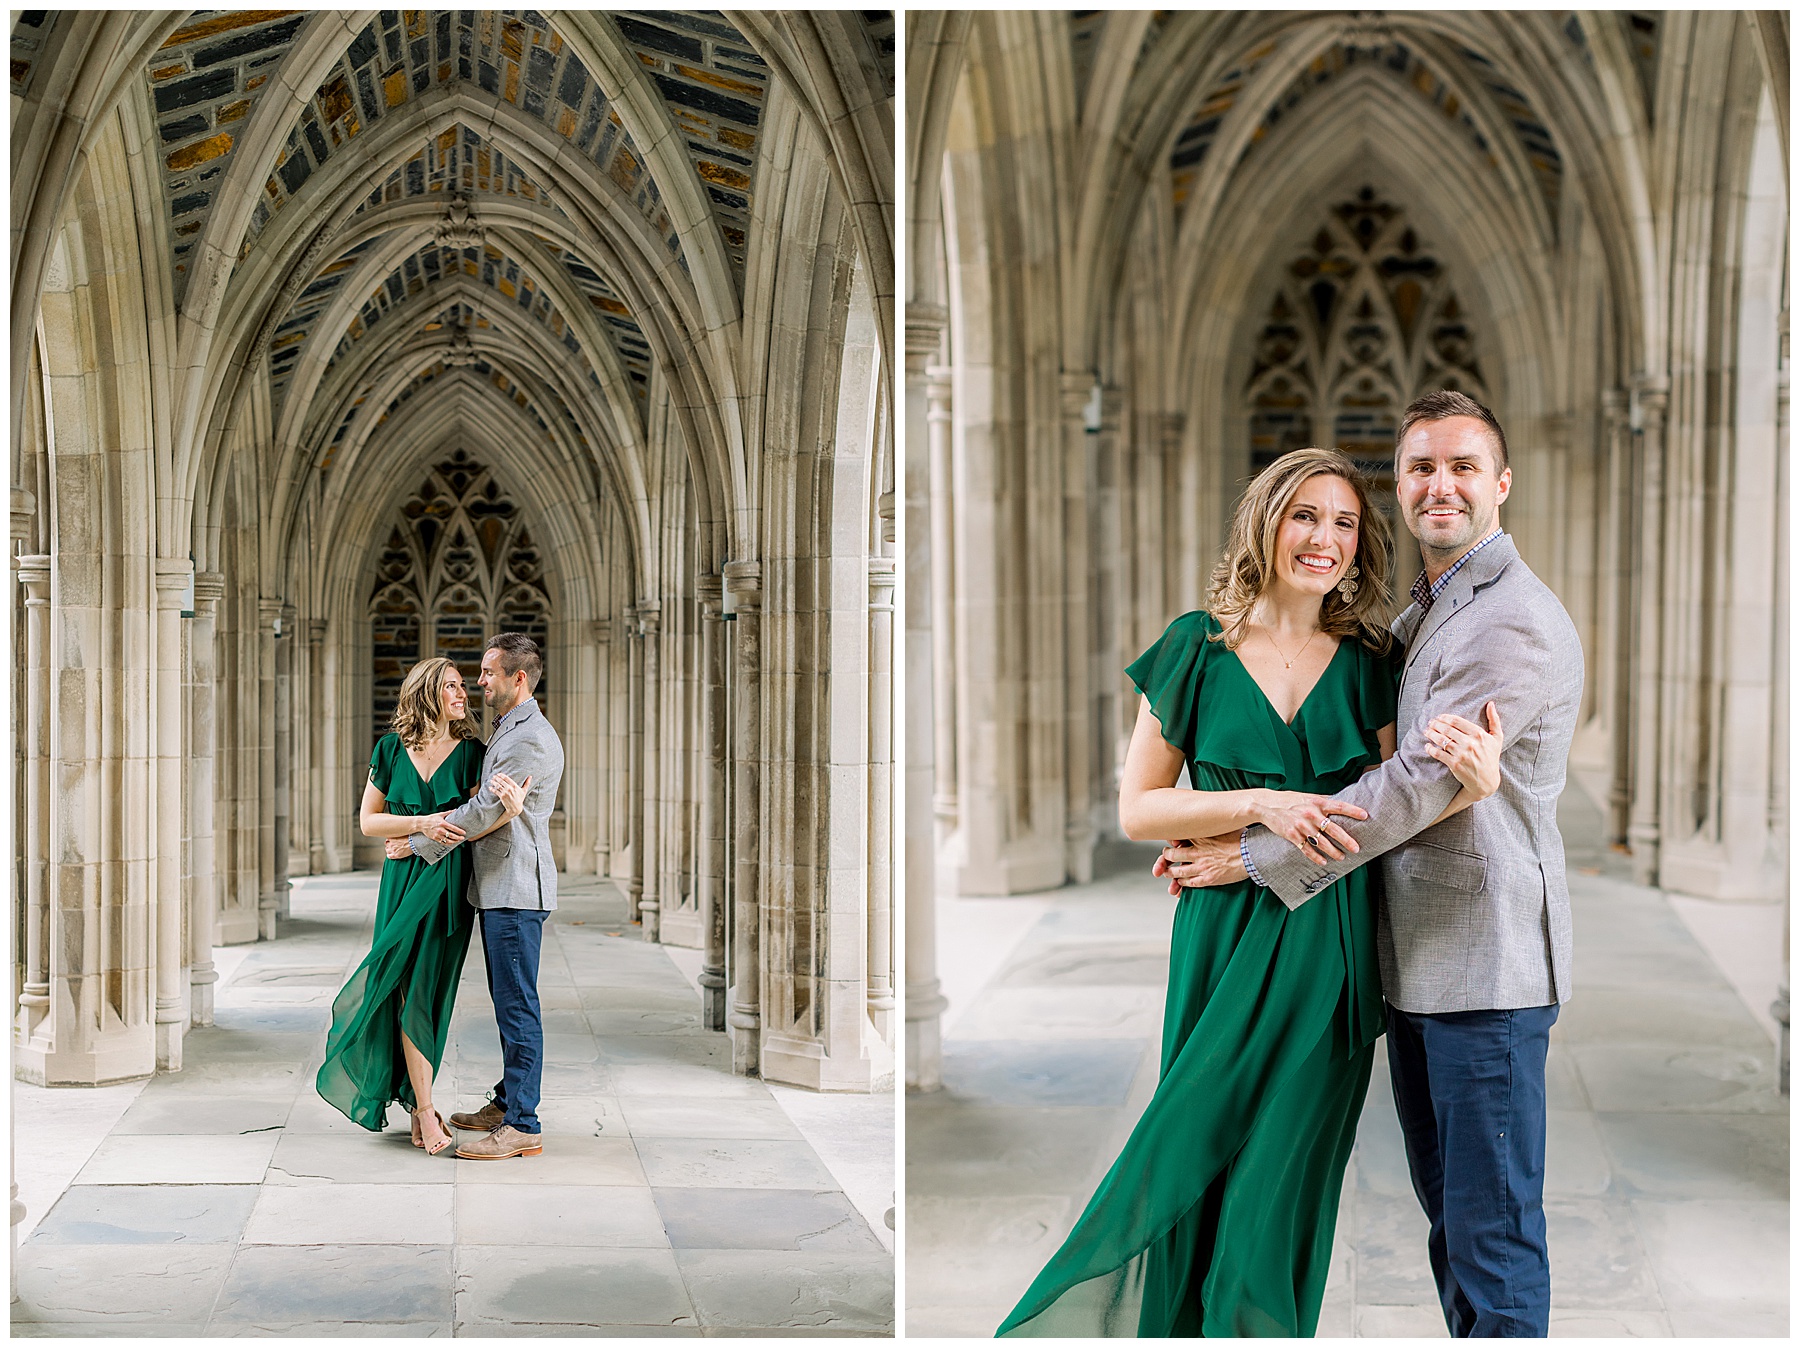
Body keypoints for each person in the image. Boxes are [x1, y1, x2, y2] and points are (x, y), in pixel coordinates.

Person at [998, 445, 1503, 1338]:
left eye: (1344, 522)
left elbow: (1396, 807)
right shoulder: (1194, 646)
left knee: (1278, 1192)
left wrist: (1478, 781)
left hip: (1328, 943)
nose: (1325, 539)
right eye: (1305, 516)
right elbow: (1140, 808)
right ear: (1265, 523)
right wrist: (1260, 803)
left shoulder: (1370, 660)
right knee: (1186, 1161)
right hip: (1220, 941)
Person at [1162, 391, 1583, 1337]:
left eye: (1463, 466)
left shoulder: (1508, 618)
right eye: (1422, 467)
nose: (1442, 484)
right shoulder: (1425, 610)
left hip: (1486, 972)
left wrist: (1251, 851)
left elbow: (1411, 786)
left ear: (1501, 484)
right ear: (1402, 487)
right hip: (1423, 964)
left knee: (1493, 1234)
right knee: (1455, 1223)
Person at [317, 657, 528, 1155]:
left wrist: (502, 815)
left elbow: (478, 821)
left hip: (448, 882)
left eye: (463, 685)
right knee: (396, 984)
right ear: (427, 693)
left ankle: (422, 1106)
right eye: (452, 686)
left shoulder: (473, 752)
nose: (463, 693)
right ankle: (424, 1108)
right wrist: (420, 826)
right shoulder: (390, 749)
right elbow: (369, 822)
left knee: (426, 994)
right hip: (400, 883)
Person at [388, 631, 566, 1161]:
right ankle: (509, 1101)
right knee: (510, 1002)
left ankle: (522, 1124)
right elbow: (485, 800)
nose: (479, 681)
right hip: (502, 887)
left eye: (488, 673)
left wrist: (416, 843)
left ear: (517, 677)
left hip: (514, 889)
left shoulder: (525, 737)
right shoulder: (509, 732)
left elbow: (485, 810)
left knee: (517, 1008)